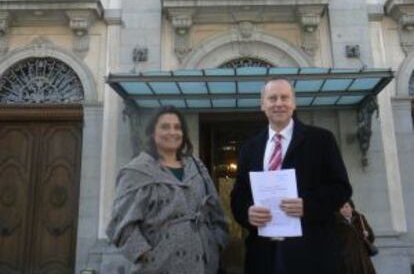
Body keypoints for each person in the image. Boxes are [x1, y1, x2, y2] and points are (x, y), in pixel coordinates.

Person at [231, 78, 352, 274]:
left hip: (311, 252)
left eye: (284, 98)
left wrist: (308, 205)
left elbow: (341, 188)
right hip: (264, 253)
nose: (279, 103)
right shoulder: (250, 147)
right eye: (272, 98)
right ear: (263, 105)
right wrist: (247, 213)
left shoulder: (321, 139)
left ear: (293, 103)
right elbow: (239, 194)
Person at [107, 106, 229, 274]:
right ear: (152, 133)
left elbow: (215, 210)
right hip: (158, 266)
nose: (172, 132)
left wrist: (216, 242)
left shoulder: (196, 166)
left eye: (177, 127)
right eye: (165, 127)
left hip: (202, 264)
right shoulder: (136, 172)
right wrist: (146, 255)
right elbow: (120, 224)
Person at [335, 200, 377, 274]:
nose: (344, 209)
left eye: (346, 206)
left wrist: (368, 234)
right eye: (341, 207)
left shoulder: (360, 219)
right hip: (346, 261)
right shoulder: (336, 223)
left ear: (352, 208)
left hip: (363, 259)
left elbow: (371, 238)